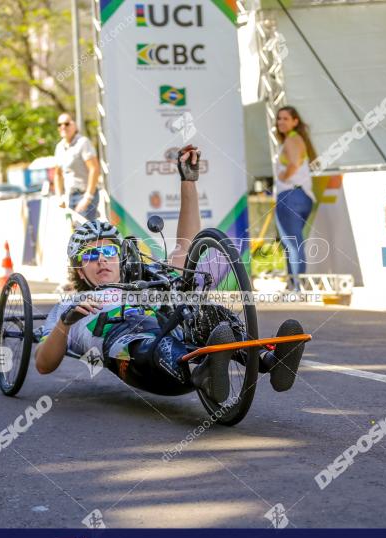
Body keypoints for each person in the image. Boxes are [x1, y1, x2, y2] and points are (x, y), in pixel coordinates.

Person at [34, 146, 307, 401]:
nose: (101, 261)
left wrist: (188, 182)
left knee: (208, 311)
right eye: (91, 256)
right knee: (146, 337)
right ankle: (204, 373)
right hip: (136, 358)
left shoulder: (147, 276)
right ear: (78, 267)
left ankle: (271, 361)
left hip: (173, 334)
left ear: (120, 257)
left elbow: (185, 248)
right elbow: (44, 365)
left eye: (108, 253)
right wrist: (65, 324)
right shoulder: (68, 307)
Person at [273, 106, 317, 291]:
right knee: (294, 242)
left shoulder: (292, 140)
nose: (281, 122)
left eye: (285, 118)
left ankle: (297, 287)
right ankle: (294, 285)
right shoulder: (298, 140)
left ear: (295, 121)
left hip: (290, 195)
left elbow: (294, 163)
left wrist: (283, 177)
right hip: (302, 196)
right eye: (279, 118)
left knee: (292, 243)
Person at [53, 113, 101, 222]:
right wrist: (59, 197)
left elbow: (94, 169)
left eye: (66, 123)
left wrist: (87, 198)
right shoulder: (59, 147)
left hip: (85, 195)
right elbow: (58, 174)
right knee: (77, 235)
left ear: (75, 125)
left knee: (86, 235)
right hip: (70, 197)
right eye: (59, 124)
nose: (63, 127)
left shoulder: (83, 142)